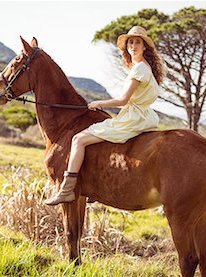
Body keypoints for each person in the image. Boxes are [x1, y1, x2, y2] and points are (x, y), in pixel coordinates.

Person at [45, 26, 164, 206]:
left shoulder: (139, 69)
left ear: (144, 47)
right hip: (145, 117)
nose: (133, 45)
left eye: (137, 42)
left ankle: (67, 189)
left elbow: (123, 100)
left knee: (78, 139)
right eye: (130, 42)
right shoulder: (147, 68)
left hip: (132, 118)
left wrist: (99, 103)